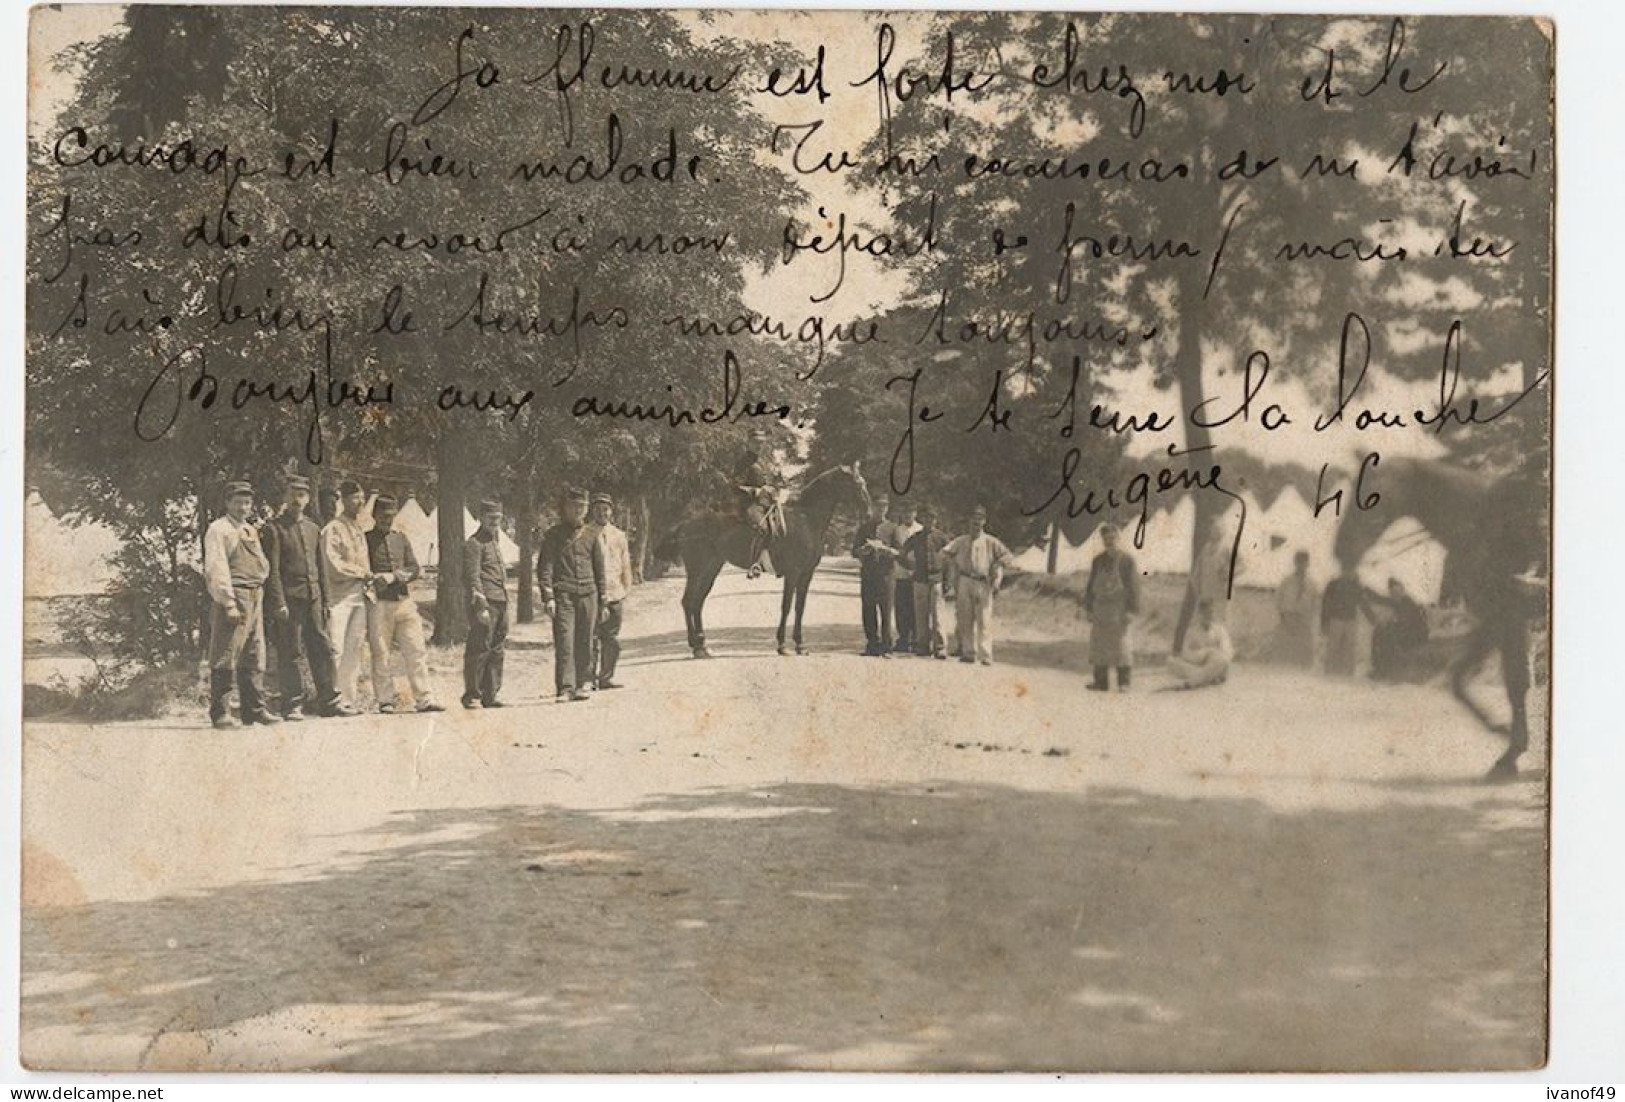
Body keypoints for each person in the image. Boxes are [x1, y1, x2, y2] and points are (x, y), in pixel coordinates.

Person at [263, 475, 349, 719]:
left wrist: (326, 601)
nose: (296, 500)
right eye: (292, 494)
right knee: (291, 651)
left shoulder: (313, 529)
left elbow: (321, 568)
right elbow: (274, 571)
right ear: (285, 497)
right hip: (289, 601)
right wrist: (278, 602)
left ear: (308, 499)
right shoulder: (274, 529)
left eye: (301, 495)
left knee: (321, 647)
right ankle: (292, 704)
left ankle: (329, 701)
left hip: (314, 598)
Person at [202, 480, 278, 728]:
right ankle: (221, 712)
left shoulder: (249, 530)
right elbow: (216, 568)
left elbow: (262, 563)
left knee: (254, 654)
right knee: (226, 653)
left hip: (255, 594)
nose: (243, 507)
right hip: (234, 596)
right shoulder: (219, 529)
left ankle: (254, 710)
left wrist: (261, 585)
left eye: (247, 502)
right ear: (227, 503)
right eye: (238, 502)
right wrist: (229, 603)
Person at [365, 495, 443, 714]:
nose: (386, 520)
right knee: (381, 652)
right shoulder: (366, 539)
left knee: (416, 649)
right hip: (378, 603)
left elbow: (415, 568)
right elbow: (362, 569)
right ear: (374, 516)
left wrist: (396, 576)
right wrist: (375, 577)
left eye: (390, 516)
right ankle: (386, 700)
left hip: (404, 601)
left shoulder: (401, 538)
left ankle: (424, 698)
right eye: (382, 516)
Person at [539, 488, 606, 703]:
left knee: (585, 639)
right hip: (564, 595)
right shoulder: (553, 535)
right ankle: (565, 688)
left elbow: (599, 570)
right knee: (565, 640)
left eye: (582, 507)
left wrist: (603, 600)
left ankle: (583, 683)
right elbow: (545, 568)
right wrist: (548, 597)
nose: (577, 510)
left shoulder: (592, 535)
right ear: (564, 508)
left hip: (589, 594)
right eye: (573, 506)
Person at [322, 478, 373, 713]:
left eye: (361, 497)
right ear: (343, 500)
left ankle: (348, 699)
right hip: (339, 596)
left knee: (354, 648)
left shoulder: (358, 529)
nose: (359, 502)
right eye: (354, 497)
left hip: (359, 596)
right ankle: (332, 698)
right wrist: (362, 573)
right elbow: (333, 565)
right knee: (336, 647)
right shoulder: (332, 528)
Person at [943, 505, 1013, 666]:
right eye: (973, 521)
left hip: (983, 581)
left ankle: (986, 654)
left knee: (984, 619)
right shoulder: (961, 541)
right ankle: (968, 652)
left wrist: (997, 565)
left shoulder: (991, 541)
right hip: (965, 580)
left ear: (984, 522)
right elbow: (945, 553)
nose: (975, 524)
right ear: (969, 522)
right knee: (965, 618)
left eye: (979, 520)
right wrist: (952, 564)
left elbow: (1008, 556)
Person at [462, 498, 509, 709]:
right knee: (480, 647)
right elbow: (472, 577)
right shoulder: (474, 543)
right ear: (481, 518)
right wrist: (480, 606)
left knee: (497, 649)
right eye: (491, 518)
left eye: (498, 518)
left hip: (501, 599)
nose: (495, 522)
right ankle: (472, 694)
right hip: (486, 602)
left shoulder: (494, 541)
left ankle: (491, 694)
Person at [1084, 522, 1141, 691]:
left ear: (1119, 538)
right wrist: (1088, 608)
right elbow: (1090, 586)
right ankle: (1101, 682)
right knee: (1099, 646)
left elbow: (1134, 587)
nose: (1109, 541)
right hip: (1101, 609)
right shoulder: (1097, 561)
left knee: (1121, 646)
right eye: (1106, 538)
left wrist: (1132, 610)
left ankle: (1124, 682)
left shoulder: (1127, 561)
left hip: (1119, 610)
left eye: (1112, 538)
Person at [590, 492, 633, 690]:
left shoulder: (619, 535)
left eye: (605, 509)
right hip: (592, 592)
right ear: (592, 511)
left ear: (611, 511)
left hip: (615, 591)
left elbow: (625, 564)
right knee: (591, 637)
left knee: (612, 638)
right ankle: (588, 679)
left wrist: (625, 589)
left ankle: (605, 677)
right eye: (598, 509)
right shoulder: (585, 533)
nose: (602, 513)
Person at [1175, 522, 1234, 654]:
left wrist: (1228, 573)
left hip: (1221, 595)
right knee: (1203, 623)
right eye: (1213, 529)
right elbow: (1195, 573)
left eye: (1218, 529)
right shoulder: (1206, 549)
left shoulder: (1227, 549)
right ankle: (1203, 652)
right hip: (1206, 594)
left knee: (1220, 624)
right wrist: (1198, 591)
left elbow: (1242, 566)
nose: (1215, 532)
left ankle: (1223, 654)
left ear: (1223, 531)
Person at [732, 427, 781, 579]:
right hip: (750, 504)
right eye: (755, 442)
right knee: (762, 528)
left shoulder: (765, 462)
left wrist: (776, 486)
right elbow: (734, 485)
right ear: (749, 443)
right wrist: (754, 491)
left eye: (761, 443)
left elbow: (772, 482)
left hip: (768, 503)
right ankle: (754, 563)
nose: (759, 446)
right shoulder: (743, 462)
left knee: (785, 524)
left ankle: (778, 561)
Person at [852, 493, 896, 657]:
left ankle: (886, 647)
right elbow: (854, 551)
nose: (880, 509)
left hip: (886, 575)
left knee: (886, 611)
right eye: (878, 506)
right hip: (869, 574)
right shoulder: (864, 528)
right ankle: (872, 645)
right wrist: (863, 550)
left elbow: (900, 552)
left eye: (884, 506)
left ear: (887, 508)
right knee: (868, 610)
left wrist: (887, 550)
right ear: (873, 507)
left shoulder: (892, 528)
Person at [904, 505, 951, 659]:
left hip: (936, 579)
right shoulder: (915, 538)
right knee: (921, 614)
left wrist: (947, 580)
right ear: (922, 520)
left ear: (936, 520)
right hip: (919, 579)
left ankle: (940, 647)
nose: (929, 521)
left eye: (932, 518)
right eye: (926, 518)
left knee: (938, 614)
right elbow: (902, 553)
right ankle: (922, 646)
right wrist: (909, 568)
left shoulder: (942, 538)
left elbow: (950, 560)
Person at [1368, 577, 1429, 681]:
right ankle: (1381, 668)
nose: (1395, 594)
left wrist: (1391, 622)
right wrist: (1368, 592)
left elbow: (1405, 620)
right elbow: (1383, 600)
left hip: (1416, 634)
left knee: (1386, 635)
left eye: (1397, 592)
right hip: (1406, 632)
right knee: (1380, 632)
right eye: (1393, 592)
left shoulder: (1407, 602)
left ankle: (1385, 669)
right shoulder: (1398, 601)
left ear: (1402, 591)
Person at [1164, 599, 1234, 689]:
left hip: (1217, 664)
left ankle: (1193, 681)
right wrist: (1202, 654)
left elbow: (1227, 652)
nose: (1208, 616)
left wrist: (1212, 653)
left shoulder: (1220, 630)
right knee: (1171, 662)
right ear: (1199, 615)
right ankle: (1206, 678)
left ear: (1213, 614)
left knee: (1222, 661)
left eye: (1210, 613)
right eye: (1205, 614)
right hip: (1199, 665)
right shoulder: (1192, 631)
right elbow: (1185, 653)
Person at [1320, 561, 1371, 676]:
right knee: (1333, 647)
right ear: (1342, 571)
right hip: (1335, 620)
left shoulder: (1356, 585)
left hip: (1350, 621)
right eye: (1346, 570)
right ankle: (1330, 673)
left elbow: (1363, 603)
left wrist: (1373, 619)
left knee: (1349, 649)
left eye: (1351, 570)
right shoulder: (1333, 584)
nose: (1348, 573)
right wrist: (1324, 622)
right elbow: (1326, 604)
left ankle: (1347, 674)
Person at [1273, 550, 1318, 667]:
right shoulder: (1287, 581)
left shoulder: (1312, 584)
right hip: (1288, 617)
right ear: (1295, 563)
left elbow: (1315, 603)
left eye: (1304, 562)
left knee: (1304, 650)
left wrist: (1310, 618)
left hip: (1304, 619)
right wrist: (1283, 615)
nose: (1302, 565)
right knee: (1285, 648)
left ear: (1308, 564)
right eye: (1299, 562)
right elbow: (1278, 599)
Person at [890, 502, 920, 654]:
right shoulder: (897, 530)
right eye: (905, 512)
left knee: (916, 608)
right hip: (900, 572)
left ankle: (916, 640)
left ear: (915, 513)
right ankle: (902, 639)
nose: (908, 515)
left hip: (917, 574)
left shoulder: (920, 529)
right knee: (901, 607)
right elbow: (894, 549)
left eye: (911, 512)